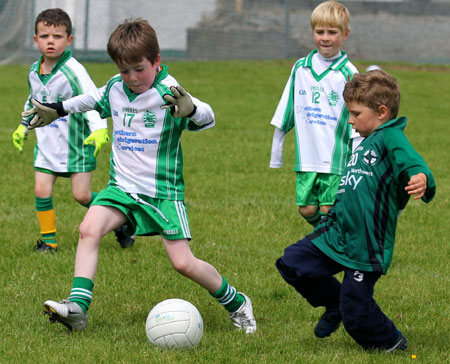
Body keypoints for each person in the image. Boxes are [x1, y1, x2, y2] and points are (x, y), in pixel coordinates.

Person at [24, 18, 257, 334]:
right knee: (88, 229)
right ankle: (78, 308)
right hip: (121, 187)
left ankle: (237, 303)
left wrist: (191, 110)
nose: (131, 78)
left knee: (183, 263)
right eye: (124, 70)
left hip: (161, 193)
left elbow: (208, 117)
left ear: (157, 61)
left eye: (139, 69)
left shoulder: (169, 91)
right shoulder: (116, 87)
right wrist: (59, 108)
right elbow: (91, 98)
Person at [275, 70, 436, 351]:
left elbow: (414, 163)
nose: (350, 120)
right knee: (292, 263)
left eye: (356, 113)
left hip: (366, 241)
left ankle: (391, 342)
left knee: (357, 312)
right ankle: (334, 304)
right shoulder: (363, 140)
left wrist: (420, 178)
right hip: (336, 230)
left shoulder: (390, 137)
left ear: (382, 112)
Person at [12, 8, 134, 251]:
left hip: (76, 144)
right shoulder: (33, 71)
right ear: (35, 40)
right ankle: (49, 242)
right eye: (44, 36)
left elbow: (92, 100)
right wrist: (23, 125)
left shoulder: (73, 70)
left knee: (82, 196)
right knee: (41, 189)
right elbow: (34, 100)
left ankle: (122, 218)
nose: (50, 41)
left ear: (69, 40)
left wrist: (99, 129)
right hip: (47, 145)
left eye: (57, 36)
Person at [269, 0, 361, 227]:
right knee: (307, 208)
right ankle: (330, 238)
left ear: (345, 34)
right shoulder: (301, 68)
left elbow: (359, 116)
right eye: (320, 32)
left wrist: (358, 154)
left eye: (332, 32)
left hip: (336, 157)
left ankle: (331, 245)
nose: (325, 37)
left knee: (329, 207)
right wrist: (276, 154)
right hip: (306, 157)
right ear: (313, 32)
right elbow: (285, 110)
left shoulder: (349, 73)